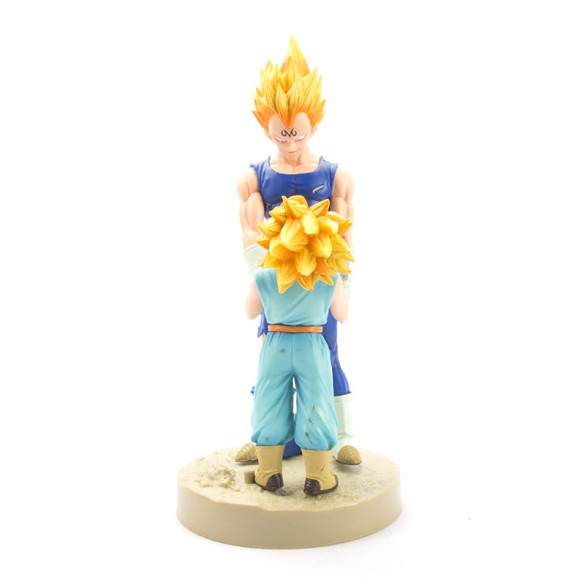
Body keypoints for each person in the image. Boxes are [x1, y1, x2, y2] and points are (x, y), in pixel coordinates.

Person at [237, 37, 360, 466]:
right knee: (270, 355)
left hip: (320, 281)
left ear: (314, 124)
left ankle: (339, 435)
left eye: (297, 133)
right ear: (267, 127)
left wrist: (343, 283)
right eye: (282, 134)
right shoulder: (255, 177)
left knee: (327, 352)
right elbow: (250, 233)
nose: (290, 143)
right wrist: (259, 278)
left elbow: (345, 234)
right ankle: (269, 435)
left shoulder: (334, 176)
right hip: (277, 281)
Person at [245, 195, 352, 494]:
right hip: (311, 344)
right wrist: (344, 284)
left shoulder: (262, 275)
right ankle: (318, 475)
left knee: (269, 400)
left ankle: (268, 472)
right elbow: (342, 314)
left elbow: (250, 312)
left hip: (275, 344)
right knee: (317, 401)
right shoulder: (329, 276)